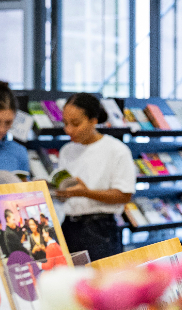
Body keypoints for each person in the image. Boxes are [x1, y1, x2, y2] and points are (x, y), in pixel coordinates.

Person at [54, 93, 135, 261]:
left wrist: (86, 192)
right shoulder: (66, 150)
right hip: (68, 226)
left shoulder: (116, 150)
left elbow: (124, 195)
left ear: (93, 120)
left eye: (75, 124)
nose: (69, 129)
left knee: (100, 283)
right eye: (65, 123)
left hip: (100, 229)